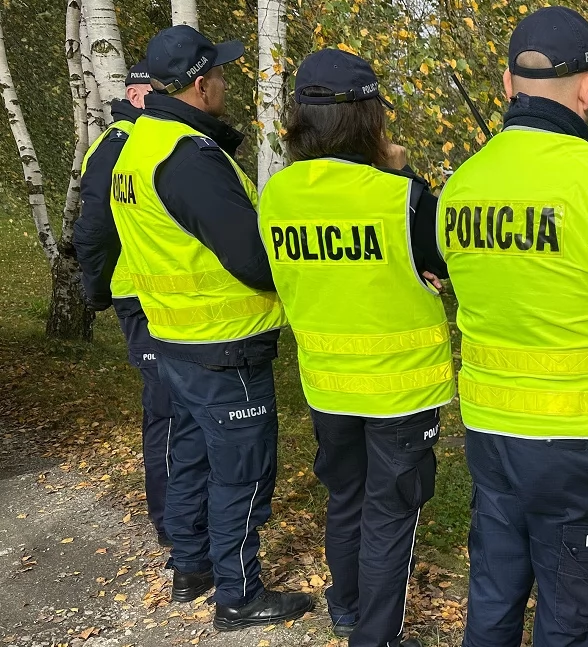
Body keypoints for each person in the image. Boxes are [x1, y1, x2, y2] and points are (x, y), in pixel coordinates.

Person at [436, 7, 588, 646]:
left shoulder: (459, 185)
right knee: (573, 609)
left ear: (509, 85)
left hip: (490, 430)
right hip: (580, 442)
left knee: (493, 590)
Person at [108, 25, 312, 629]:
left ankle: (192, 565)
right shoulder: (190, 159)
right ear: (201, 85)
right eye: (220, 73)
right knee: (243, 469)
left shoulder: (140, 146)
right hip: (223, 343)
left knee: (194, 457)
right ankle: (239, 594)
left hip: (174, 337)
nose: (226, 81)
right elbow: (253, 261)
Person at [256, 49, 449, 646]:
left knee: (346, 499)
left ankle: (345, 608)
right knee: (391, 515)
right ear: (370, 120)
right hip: (400, 388)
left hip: (327, 382)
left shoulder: (278, 195)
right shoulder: (403, 196)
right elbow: (445, 266)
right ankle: (376, 636)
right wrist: (400, 175)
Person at [73, 60, 172, 547]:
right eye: (160, 92)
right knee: (166, 408)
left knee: (176, 408)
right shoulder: (119, 145)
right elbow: (91, 229)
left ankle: (183, 519)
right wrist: (97, 291)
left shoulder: (140, 142)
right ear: (138, 97)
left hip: (157, 293)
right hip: (139, 294)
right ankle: (173, 523)